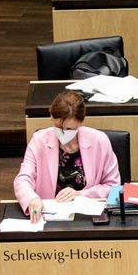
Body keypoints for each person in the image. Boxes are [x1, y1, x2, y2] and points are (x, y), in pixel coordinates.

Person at [14, 91, 121, 223]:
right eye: (58, 127)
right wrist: (32, 199)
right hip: (49, 216)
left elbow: (113, 186)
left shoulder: (99, 141)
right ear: (51, 117)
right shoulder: (39, 140)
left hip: (87, 218)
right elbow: (23, 179)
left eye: (70, 129)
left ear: (81, 122)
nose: (63, 133)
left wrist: (80, 194)